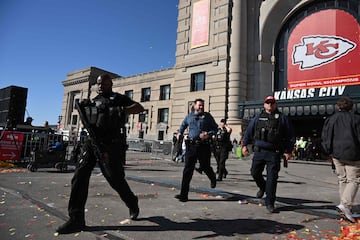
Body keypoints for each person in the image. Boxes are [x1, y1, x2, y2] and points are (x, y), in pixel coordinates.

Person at [56, 74, 144, 234]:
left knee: (115, 179)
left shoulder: (118, 98)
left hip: (110, 144)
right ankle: (76, 219)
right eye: (98, 83)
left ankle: (132, 201)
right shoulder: (94, 100)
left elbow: (139, 108)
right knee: (79, 176)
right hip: (91, 142)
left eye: (103, 83)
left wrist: (120, 110)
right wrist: (84, 106)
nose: (100, 86)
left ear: (110, 83)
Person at [241, 96, 294, 213]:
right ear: (264, 105)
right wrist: (244, 145)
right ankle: (262, 187)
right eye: (267, 103)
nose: (270, 105)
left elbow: (290, 136)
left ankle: (270, 203)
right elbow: (248, 132)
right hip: (259, 151)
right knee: (254, 172)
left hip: (274, 153)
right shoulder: (258, 117)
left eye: (272, 103)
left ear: (276, 105)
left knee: (272, 179)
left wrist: (288, 151)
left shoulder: (282, 118)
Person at [321, 97, 360, 223]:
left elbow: (326, 136)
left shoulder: (331, 119)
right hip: (353, 153)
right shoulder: (356, 119)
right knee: (354, 180)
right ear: (351, 107)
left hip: (336, 154)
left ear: (338, 107)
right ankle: (345, 205)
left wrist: (328, 152)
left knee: (342, 179)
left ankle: (344, 207)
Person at [174, 98, 218, 202]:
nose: (201, 107)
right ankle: (183, 195)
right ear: (194, 106)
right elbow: (183, 125)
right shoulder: (189, 116)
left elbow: (215, 129)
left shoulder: (208, 117)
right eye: (199, 105)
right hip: (191, 146)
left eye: (202, 105)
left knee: (205, 166)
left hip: (204, 146)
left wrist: (208, 134)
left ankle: (212, 178)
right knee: (187, 170)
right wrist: (179, 133)